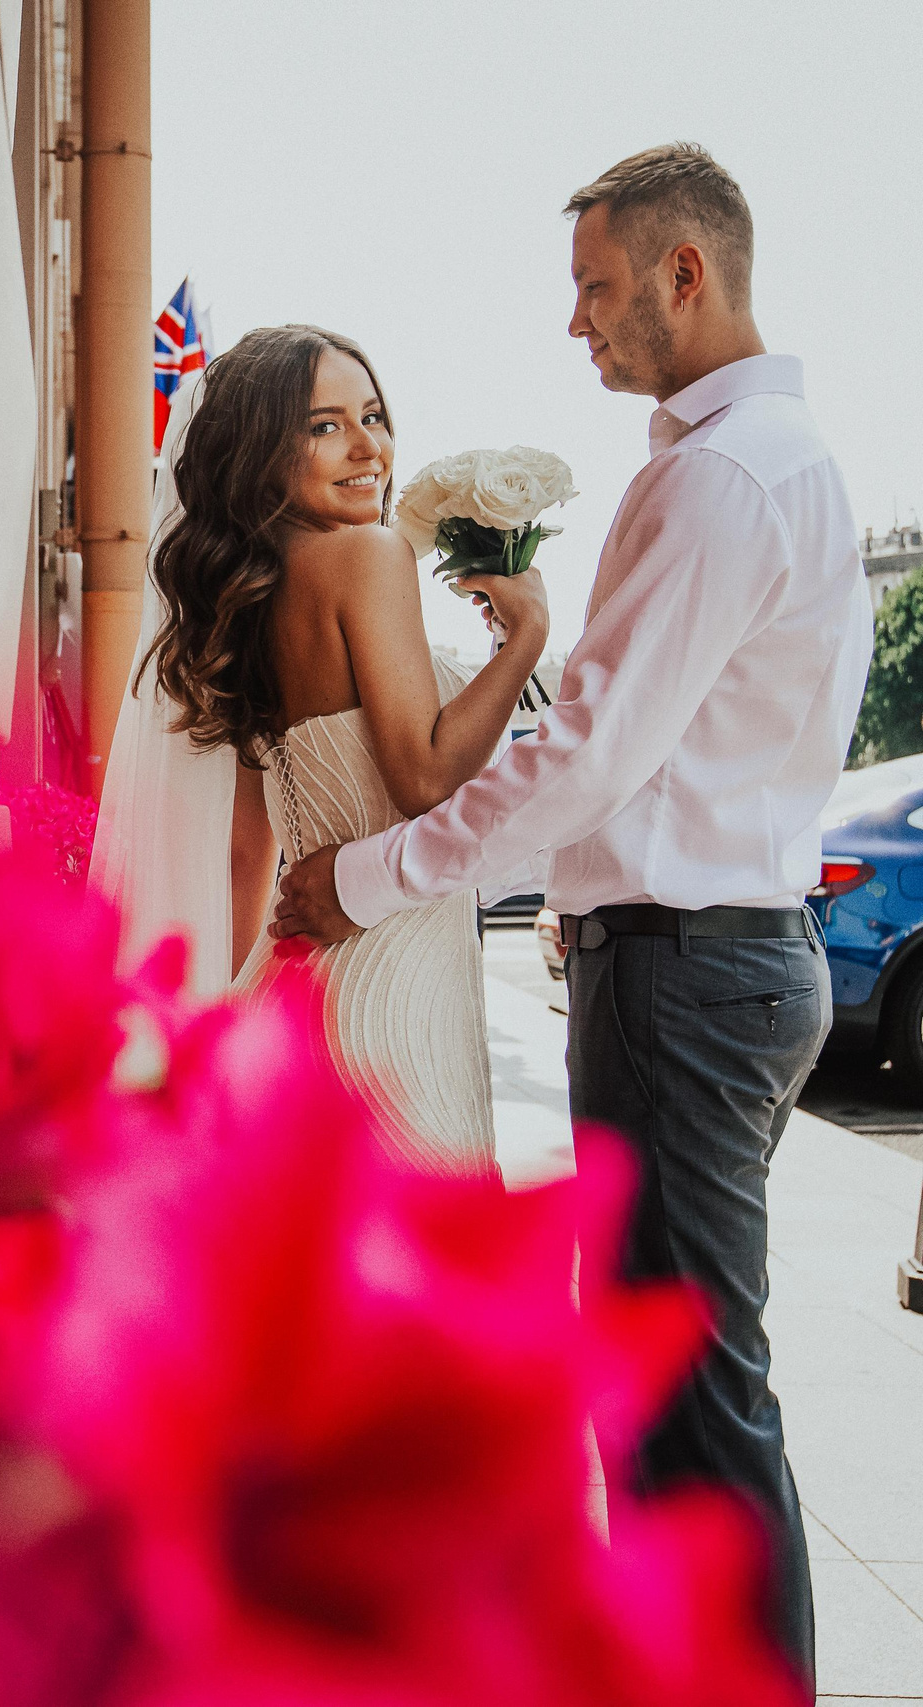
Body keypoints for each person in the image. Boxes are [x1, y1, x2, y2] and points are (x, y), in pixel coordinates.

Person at [269, 143, 867, 1687]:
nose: (576, 325)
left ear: (688, 274)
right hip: (710, 957)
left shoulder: (723, 474)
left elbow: (587, 753)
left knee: (690, 1401)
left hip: (690, 976)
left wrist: (367, 875)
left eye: (597, 289)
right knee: (680, 1384)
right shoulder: (767, 456)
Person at [94, 324, 550, 1174]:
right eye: (324, 425)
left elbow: (242, 846)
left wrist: (225, 1015)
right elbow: (422, 775)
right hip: (392, 980)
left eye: (372, 415)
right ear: (262, 452)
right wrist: (523, 638)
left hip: (298, 983)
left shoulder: (246, 604)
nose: (366, 446)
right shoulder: (368, 556)